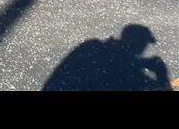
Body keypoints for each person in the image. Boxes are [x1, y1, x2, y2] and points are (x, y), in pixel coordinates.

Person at [43, 24, 171, 91]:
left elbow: (118, 60)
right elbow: (133, 77)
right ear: (138, 44)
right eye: (143, 44)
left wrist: (143, 64)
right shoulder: (123, 71)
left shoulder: (92, 46)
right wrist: (162, 79)